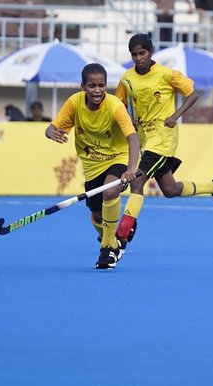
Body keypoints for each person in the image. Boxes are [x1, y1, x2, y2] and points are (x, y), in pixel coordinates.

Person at [114, 34, 213, 251]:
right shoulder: (126, 78)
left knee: (137, 183)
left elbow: (192, 94)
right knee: (170, 189)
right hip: (144, 139)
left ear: (151, 52)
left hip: (163, 138)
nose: (138, 58)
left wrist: (175, 115)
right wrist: (129, 118)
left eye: (142, 53)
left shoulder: (167, 74)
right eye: (134, 54)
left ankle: (121, 236)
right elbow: (118, 103)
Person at [44, 63, 140, 269]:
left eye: (101, 85)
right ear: (83, 86)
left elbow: (133, 138)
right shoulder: (74, 103)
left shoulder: (115, 106)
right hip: (92, 165)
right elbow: (51, 128)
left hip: (117, 158)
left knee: (111, 191)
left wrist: (131, 168)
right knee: (96, 214)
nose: (97, 90)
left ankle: (107, 249)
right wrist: (51, 132)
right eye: (92, 86)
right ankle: (115, 239)